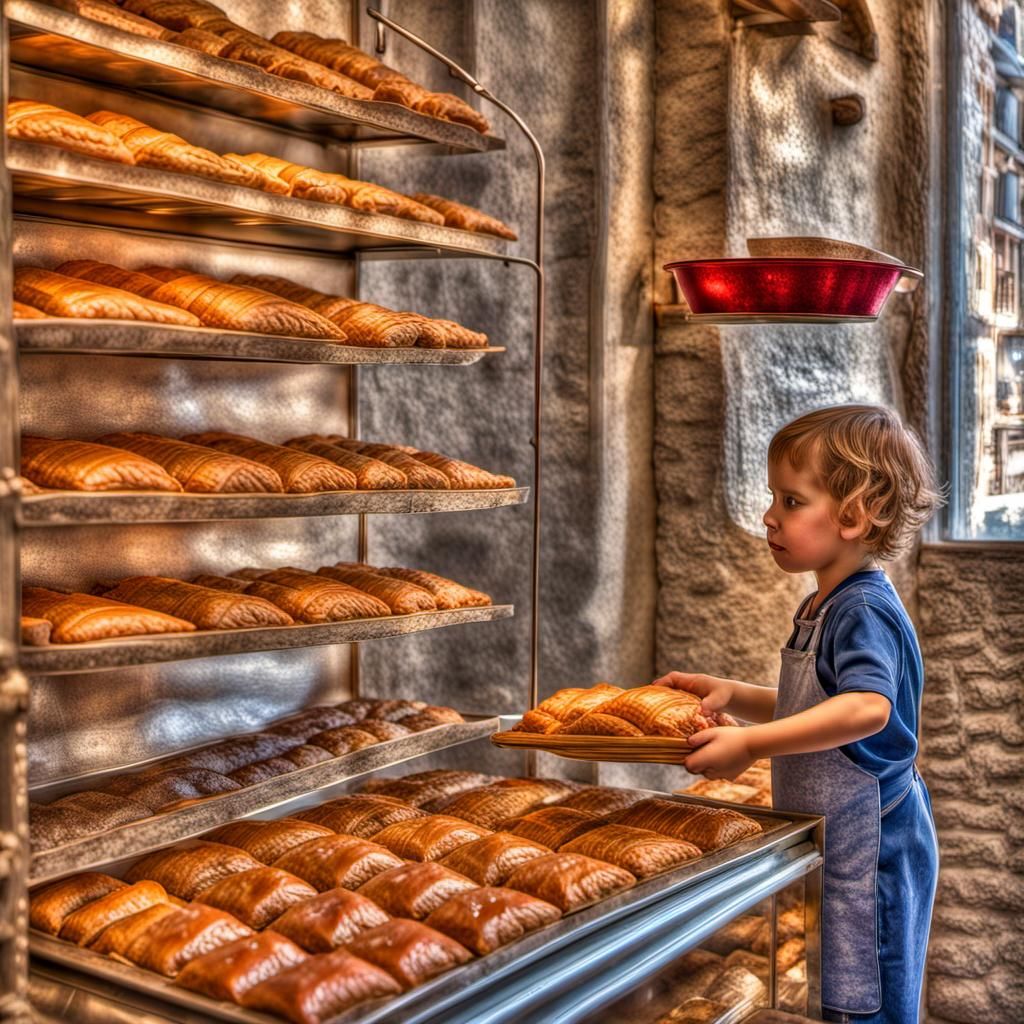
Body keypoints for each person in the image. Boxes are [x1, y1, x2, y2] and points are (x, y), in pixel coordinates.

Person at [656, 404, 942, 1024]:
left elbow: (866, 708)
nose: (769, 516)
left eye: (790, 501)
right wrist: (732, 692)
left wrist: (753, 745)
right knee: (836, 996)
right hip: (838, 846)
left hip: (875, 850)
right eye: (774, 498)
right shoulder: (824, 601)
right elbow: (816, 701)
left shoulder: (862, 608)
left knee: (870, 1000)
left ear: (855, 514)